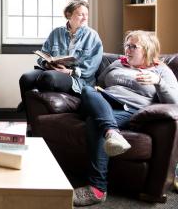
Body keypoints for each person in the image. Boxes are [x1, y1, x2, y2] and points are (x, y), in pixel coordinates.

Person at [73, 31, 178, 206]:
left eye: (133, 46)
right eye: (126, 45)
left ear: (147, 49)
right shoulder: (117, 63)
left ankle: (97, 189)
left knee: (95, 122)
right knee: (88, 90)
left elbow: (175, 101)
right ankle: (112, 131)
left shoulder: (160, 70)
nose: (127, 50)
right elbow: (99, 83)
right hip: (104, 102)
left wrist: (158, 81)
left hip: (130, 110)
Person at [18, 0, 103, 111]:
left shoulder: (93, 36)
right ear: (69, 15)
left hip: (76, 78)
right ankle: (28, 110)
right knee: (26, 78)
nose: (85, 18)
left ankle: (31, 102)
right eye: (80, 14)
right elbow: (43, 55)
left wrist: (69, 71)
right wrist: (47, 64)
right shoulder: (56, 32)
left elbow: (91, 68)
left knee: (48, 77)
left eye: (86, 14)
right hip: (51, 69)